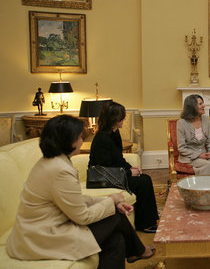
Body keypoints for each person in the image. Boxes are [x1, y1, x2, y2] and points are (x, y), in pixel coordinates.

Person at [6, 115, 154, 268]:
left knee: (116, 240)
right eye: (79, 136)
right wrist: (111, 202)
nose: (82, 140)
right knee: (116, 218)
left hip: (46, 227)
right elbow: (83, 217)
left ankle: (137, 251)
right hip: (42, 236)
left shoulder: (52, 161)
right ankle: (138, 251)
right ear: (69, 141)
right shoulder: (59, 170)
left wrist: (109, 200)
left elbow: (75, 198)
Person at [89, 102, 159, 233]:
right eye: (121, 117)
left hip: (114, 174)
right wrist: (128, 173)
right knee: (143, 182)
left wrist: (133, 168)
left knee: (144, 178)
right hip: (99, 177)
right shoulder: (102, 138)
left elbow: (119, 159)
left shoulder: (115, 133)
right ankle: (145, 224)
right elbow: (104, 170)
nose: (124, 119)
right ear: (113, 119)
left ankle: (149, 220)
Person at [177, 94, 210, 175]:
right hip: (190, 157)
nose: (204, 105)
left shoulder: (206, 119)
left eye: (203, 103)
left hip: (205, 154)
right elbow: (181, 148)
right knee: (207, 165)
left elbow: (209, 141)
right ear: (192, 107)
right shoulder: (181, 123)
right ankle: (204, 187)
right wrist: (199, 155)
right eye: (200, 104)